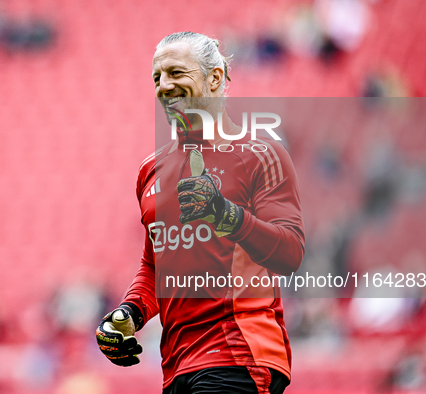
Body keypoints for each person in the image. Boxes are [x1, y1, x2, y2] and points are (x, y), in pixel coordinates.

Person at [96, 31, 305, 394]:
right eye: (157, 77)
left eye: (177, 72)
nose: (164, 86)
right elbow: (155, 266)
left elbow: (289, 253)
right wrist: (131, 313)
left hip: (239, 354)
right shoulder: (150, 170)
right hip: (176, 366)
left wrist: (226, 216)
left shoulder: (260, 154)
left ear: (215, 78)